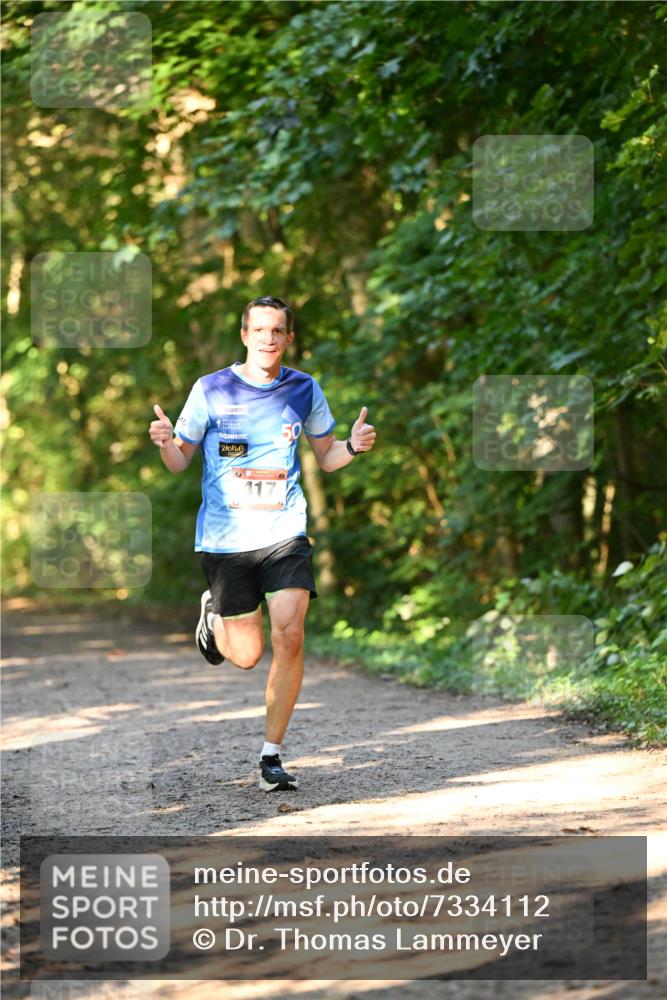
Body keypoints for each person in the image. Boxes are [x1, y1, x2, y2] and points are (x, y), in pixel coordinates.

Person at [149, 296, 376, 791]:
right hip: (226, 540)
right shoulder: (210, 389)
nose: (269, 339)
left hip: (284, 533)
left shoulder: (303, 388)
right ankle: (214, 614)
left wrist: (353, 446)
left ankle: (271, 756)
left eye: (278, 331)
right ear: (245, 334)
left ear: (288, 338)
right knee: (248, 655)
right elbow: (180, 461)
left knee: (290, 634)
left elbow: (327, 455)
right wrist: (167, 442)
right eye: (260, 330)